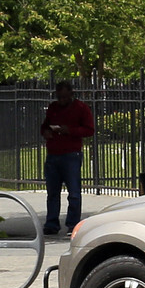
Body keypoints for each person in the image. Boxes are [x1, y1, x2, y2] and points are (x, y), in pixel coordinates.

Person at [41, 82, 94, 236]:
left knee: (74, 192)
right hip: (53, 154)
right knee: (52, 193)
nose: (62, 100)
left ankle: (73, 224)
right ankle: (51, 224)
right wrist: (45, 132)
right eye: (59, 97)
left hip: (71, 154)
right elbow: (44, 126)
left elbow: (89, 130)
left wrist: (69, 130)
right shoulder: (53, 108)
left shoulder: (81, 108)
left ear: (71, 94)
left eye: (64, 96)